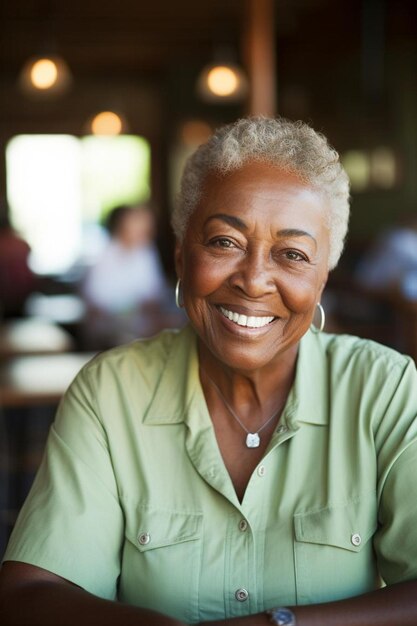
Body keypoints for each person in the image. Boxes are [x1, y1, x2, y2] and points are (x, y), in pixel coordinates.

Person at [1, 117, 417, 626]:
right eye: (225, 242)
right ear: (181, 256)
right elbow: (31, 592)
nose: (255, 280)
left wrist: (277, 624)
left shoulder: (388, 389)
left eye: (292, 254)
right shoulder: (111, 392)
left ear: (322, 276)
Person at [81, 203, 169, 348]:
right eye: (138, 224)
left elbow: (154, 296)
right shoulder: (104, 255)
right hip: (110, 334)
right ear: (122, 227)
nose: (146, 230)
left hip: (141, 329)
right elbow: (97, 304)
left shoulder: (145, 252)